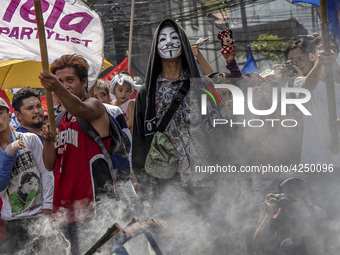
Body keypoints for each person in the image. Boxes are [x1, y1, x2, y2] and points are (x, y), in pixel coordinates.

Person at [39, 54, 128, 255]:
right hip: (66, 208)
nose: (65, 85)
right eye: (60, 81)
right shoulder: (57, 119)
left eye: (70, 80)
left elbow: (78, 107)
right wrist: (48, 141)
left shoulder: (94, 107)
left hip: (96, 205)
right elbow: (49, 165)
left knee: (109, 252)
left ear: (84, 82)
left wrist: (56, 88)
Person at [0, 98, 54, 254]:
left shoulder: (30, 139)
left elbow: (46, 172)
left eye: (0, 113)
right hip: (14, 222)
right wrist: (9, 152)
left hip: (40, 216)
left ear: (10, 116)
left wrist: (47, 207)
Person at [252, 172, 326, 255]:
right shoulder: (273, 213)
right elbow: (257, 246)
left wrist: (306, 218)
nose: (296, 194)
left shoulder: (316, 213)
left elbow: (316, 251)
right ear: (279, 193)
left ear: (307, 191)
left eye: (300, 189)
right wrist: (268, 215)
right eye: (290, 189)